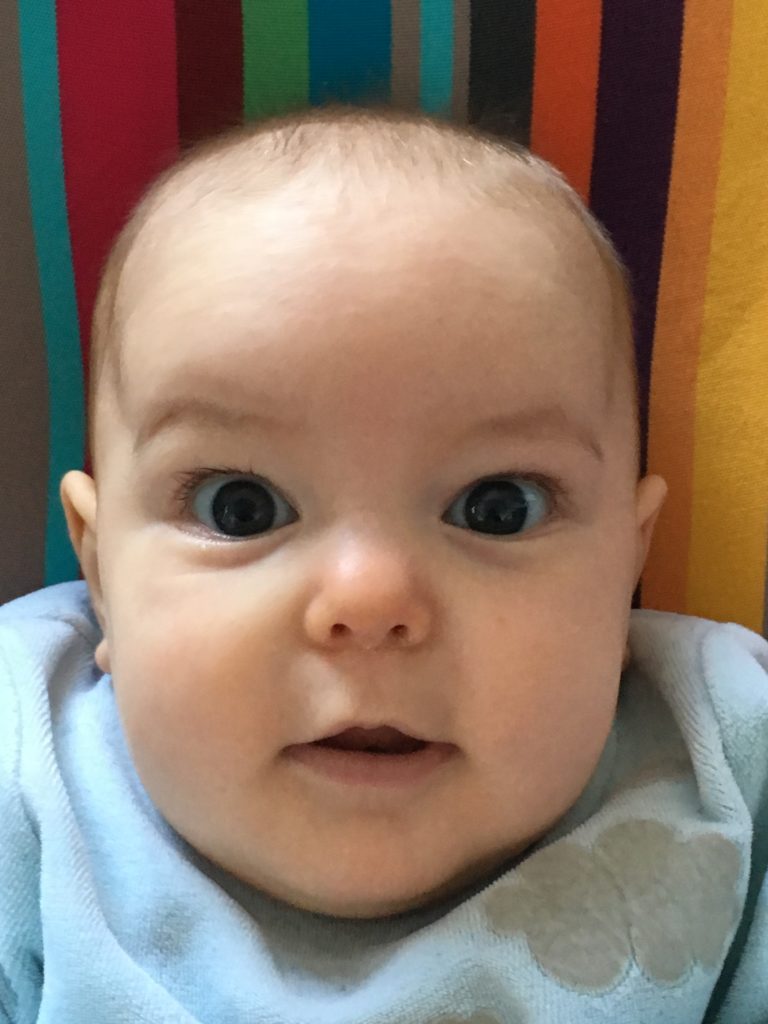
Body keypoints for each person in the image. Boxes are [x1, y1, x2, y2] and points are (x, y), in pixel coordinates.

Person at [1, 106, 766, 1024]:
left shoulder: (727, 748)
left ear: (626, 563)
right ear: (101, 575)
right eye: (240, 509)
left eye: (498, 507)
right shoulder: (27, 765)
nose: (369, 601)